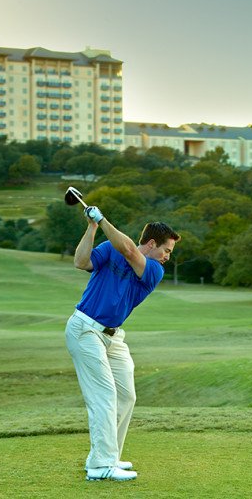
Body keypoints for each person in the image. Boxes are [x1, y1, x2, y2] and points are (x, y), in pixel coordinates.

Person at [65, 204, 179, 482]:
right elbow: (81, 262)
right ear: (152, 243)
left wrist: (102, 219)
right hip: (85, 329)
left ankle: (107, 455)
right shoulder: (109, 248)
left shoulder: (153, 270)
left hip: (113, 336)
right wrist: (93, 227)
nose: (167, 257)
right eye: (166, 251)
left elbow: (129, 250)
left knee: (126, 395)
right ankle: (100, 466)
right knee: (104, 396)